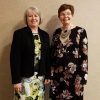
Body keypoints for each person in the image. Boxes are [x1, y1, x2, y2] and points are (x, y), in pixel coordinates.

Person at [10, 6, 50, 100]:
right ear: (26, 19)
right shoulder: (19, 34)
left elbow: (47, 57)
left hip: (40, 79)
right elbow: (15, 58)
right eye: (30, 16)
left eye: (36, 16)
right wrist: (16, 80)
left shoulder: (45, 35)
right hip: (24, 79)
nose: (33, 18)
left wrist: (48, 75)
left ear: (39, 18)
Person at [50, 4, 88, 100]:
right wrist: (50, 74)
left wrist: (82, 78)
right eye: (62, 14)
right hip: (57, 77)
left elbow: (84, 57)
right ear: (59, 17)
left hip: (75, 78)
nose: (65, 16)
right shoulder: (56, 33)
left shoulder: (80, 31)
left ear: (72, 15)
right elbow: (52, 55)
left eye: (68, 13)